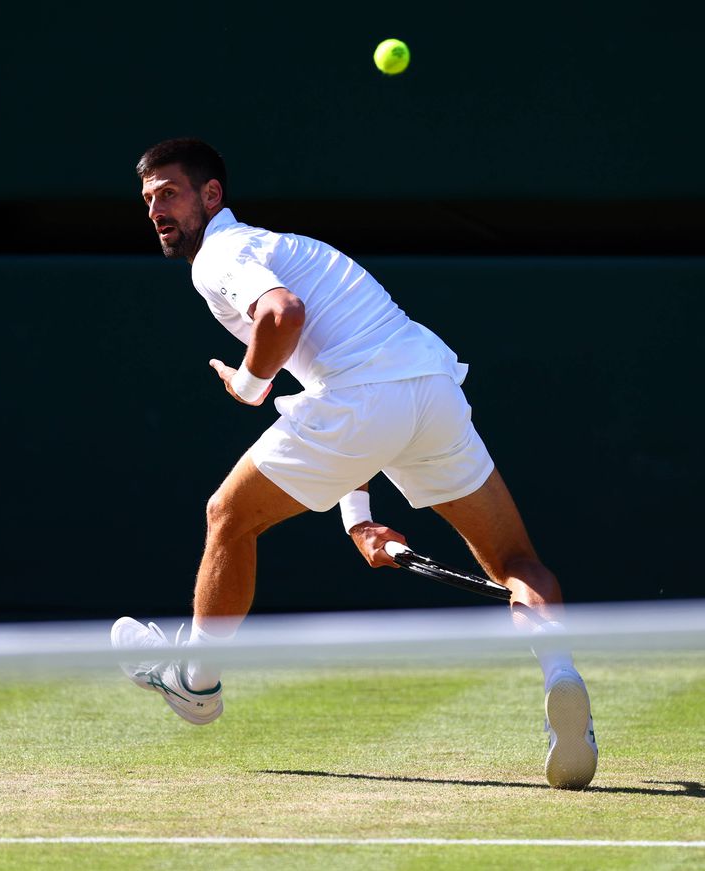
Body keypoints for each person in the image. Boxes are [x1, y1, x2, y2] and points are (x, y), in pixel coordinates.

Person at [111, 138, 598, 790]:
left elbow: (283, 316)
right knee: (516, 560)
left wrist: (250, 386)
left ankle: (195, 682)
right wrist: (360, 520)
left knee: (227, 516)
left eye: (168, 193)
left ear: (211, 196)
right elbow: (343, 392)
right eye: (147, 201)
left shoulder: (220, 256)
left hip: (368, 400)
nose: (156, 210)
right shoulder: (285, 247)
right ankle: (561, 675)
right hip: (430, 385)